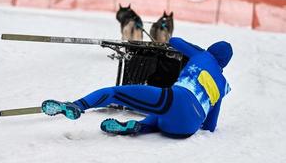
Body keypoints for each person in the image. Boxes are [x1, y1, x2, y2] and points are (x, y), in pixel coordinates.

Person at [42, 37, 233, 138]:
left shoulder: (203, 55)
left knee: (115, 93)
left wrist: (199, 52)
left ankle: (76, 106)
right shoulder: (223, 84)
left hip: (175, 99)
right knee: (160, 117)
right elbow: (210, 126)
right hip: (186, 127)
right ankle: (138, 127)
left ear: (211, 50)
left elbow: (174, 41)